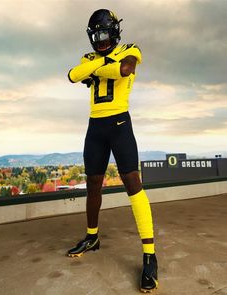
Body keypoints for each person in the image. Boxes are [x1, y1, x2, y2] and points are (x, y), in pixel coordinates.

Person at [67, 9, 158, 293]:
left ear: (115, 31)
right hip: (95, 127)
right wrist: (100, 64)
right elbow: (72, 75)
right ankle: (92, 236)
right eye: (96, 35)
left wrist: (98, 66)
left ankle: (150, 254)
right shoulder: (89, 58)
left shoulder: (131, 50)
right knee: (93, 183)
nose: (100, 40)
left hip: (120, 124)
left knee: (133, 183)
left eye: (104, 34)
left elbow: (124, 69)